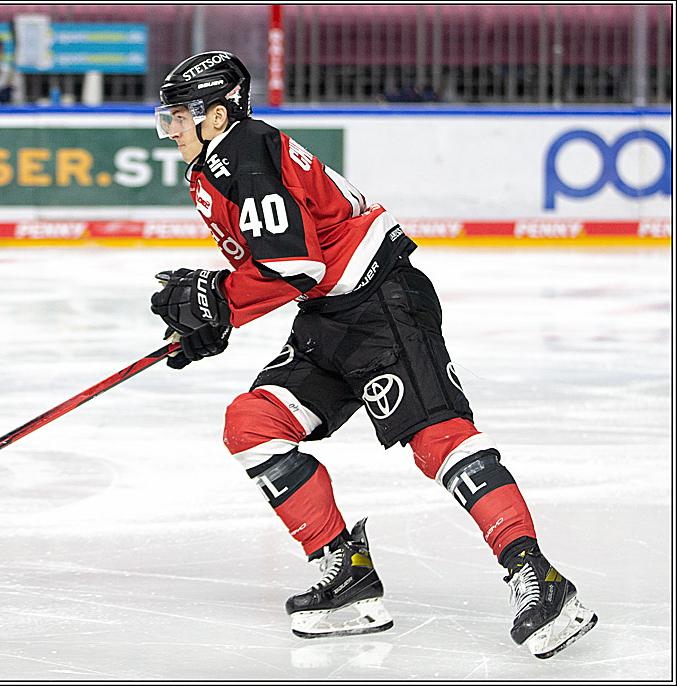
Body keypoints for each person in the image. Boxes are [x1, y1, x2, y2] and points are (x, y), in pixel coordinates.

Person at [148, 51, 597, 659]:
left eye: (179, 116)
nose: (170, 129)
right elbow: (289, 269)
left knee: (439, 440)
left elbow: (293, 264)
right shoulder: (220, 162)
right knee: (254, 423)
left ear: (217, 113)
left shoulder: (244, 154)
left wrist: (220, 302)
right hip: (332, 316)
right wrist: (216, 315)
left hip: (383, 306)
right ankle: (349, 577)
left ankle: (538, 577)